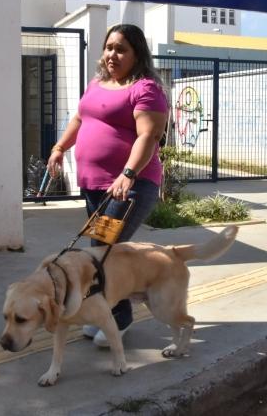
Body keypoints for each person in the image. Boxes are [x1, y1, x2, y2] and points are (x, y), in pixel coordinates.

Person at [47, 23, 169, 348]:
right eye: (109, 47)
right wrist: (59, 148)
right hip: (95, 186)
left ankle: (120, 317)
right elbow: (80, 119)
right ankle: (106, 313)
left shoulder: (146, 88)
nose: (113, 54)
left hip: (128, 187)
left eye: (121, 49)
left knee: (104, 254)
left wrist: (128, 173)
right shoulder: (97, 84)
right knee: (100, 252)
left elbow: (149, 135)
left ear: (137, 54)